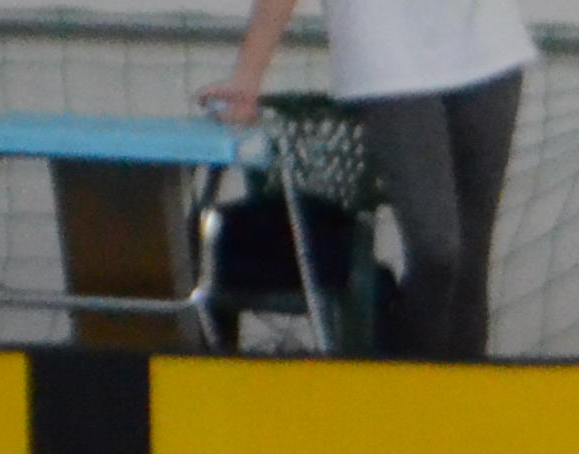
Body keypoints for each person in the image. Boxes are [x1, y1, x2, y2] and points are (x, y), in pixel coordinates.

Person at [209, 0, 534, 361]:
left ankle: (460, 398)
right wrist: (248, 75)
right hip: (384, 59)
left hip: (488, 50)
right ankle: (397, 374)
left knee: (470, 266)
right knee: (437, 250)